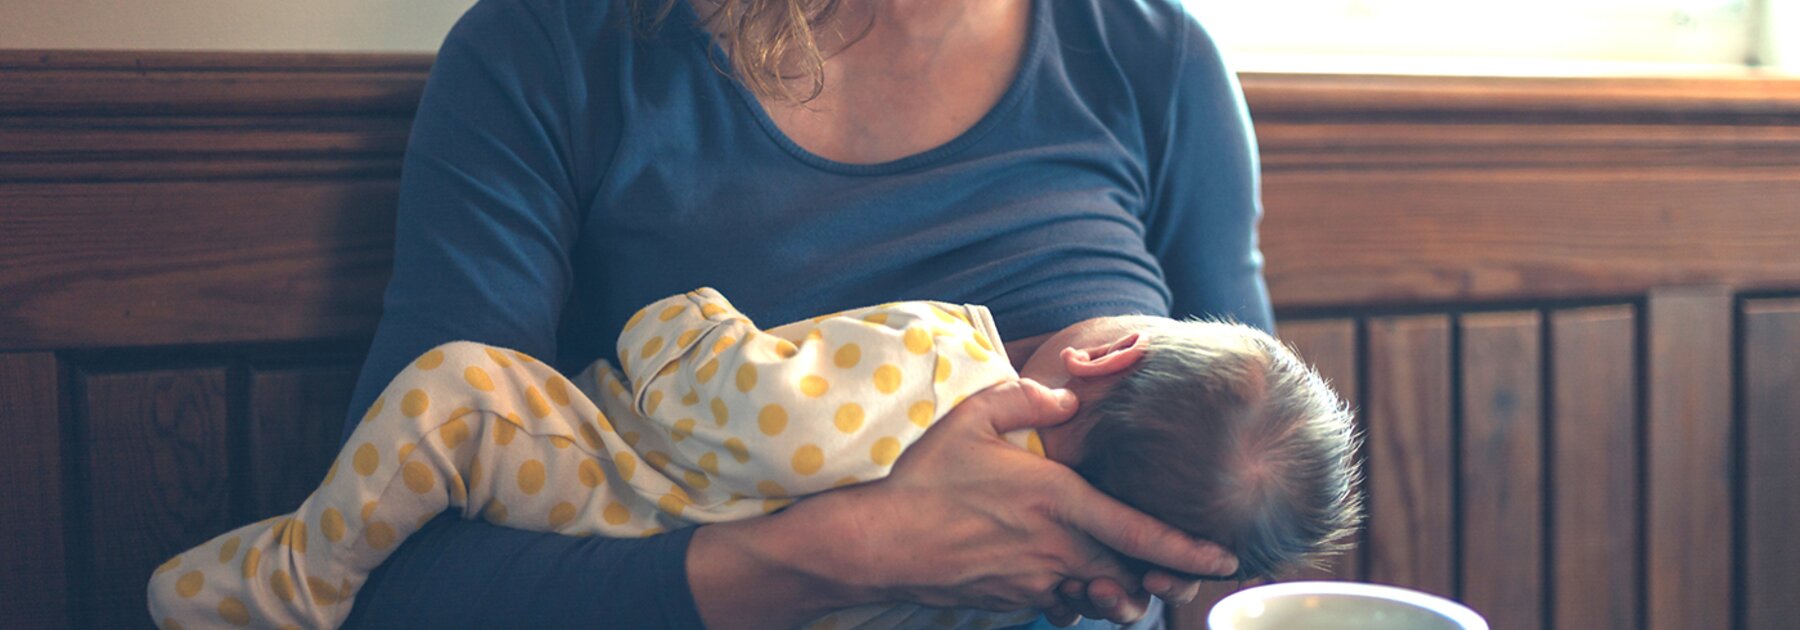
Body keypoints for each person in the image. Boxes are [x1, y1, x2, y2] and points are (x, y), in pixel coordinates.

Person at [309, 0, 1273, 626]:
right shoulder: (552, 52)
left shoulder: (1154, 61)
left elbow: (1250, 547)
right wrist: (854, 554)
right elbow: (392, 580)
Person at [147, 289, 1356, 629]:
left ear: (1104, 354)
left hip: (596, 475)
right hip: (619, 554)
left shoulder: (942, 353)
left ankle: (285, 585)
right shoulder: (1027, 579)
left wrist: (678, 326)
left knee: (453, 396)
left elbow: (735, 400)